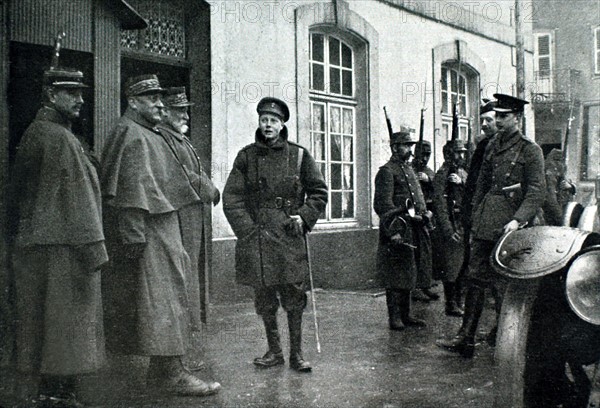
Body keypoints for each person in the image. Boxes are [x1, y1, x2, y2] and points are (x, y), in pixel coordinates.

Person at [101, 75, 220, 396]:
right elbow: (129, 194)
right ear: (132, 101)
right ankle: (170, 373)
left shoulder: (148, 133)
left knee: (169, 299)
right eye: (151, 98)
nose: (158, 104)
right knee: (162, 301)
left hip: (163, 227)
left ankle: (165, 368)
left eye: (159, 98)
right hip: (148, 233)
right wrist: (134, 238)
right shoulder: (130, 134)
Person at [9, 65, 107, 406]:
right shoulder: (59, 138)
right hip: (64, 246)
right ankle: (57, 394)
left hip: (40, 243)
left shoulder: (39, 132)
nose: (80, 99)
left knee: (45, 324)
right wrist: (95, 248)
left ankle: (50, 391)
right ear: (52, 95)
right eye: (71, 92)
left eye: (81, 92)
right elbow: (77, 198)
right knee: (64, 326)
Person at [223, 97, 327, 373]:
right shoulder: (246, 156)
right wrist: (246, 229)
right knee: (264, 297)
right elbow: (232, 197)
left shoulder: (299, 155)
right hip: (257, 238)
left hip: (289, 236)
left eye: (273, 121)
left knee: (294, 296)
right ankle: (274, 351)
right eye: (263, 120)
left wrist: (304, 217)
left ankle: (297, 354)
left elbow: (319, 192)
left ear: (282, 125)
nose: (267, 125)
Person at [438, 93, 546, 358]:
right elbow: (481, 186)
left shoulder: (530, 150)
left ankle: (508, 338)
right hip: (486, 223)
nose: (498, 120)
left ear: (517, 118)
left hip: (511, 226)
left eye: (503, 116)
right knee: (475, 278)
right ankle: (466, 337)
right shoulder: (490, 146)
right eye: (496, 115)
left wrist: (517, 220)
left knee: (504, 284)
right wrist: (475, 215)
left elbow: (536, 191)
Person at [156, 86, 221, 370]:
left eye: (186, 110)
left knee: (191, 280)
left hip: (193, 218)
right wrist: (209, 188)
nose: (185, 116)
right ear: (165, 112)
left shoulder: (180, 139)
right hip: (181, 219)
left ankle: (186, 350)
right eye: (179, 110)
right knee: (182, 282)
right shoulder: (165, 140)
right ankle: (178, 356)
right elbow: (182, 175)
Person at [374, 127, 433, 331]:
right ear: (394, 147)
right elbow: (383, 205)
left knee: (410, 270)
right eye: (406, 145)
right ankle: (395, 317)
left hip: (414, 228)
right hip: (398, 229)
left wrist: (425, 213)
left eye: (410, 145)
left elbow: (418, 198)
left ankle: (406, 314)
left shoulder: (410, 171)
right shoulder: (386, 172)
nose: (409, 149)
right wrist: (394, 231)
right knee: (395, 273)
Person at [432, 140, 468, 317]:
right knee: (451, 268)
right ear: (448, 154)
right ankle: (451, 303)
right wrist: (448, 230)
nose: (461, 156)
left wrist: (462, 183)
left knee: (461, 266)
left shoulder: (462, 173)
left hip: (462, 225)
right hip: (451, 226)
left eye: (463, 152)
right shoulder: (442, 175)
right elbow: (440, 205)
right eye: (457, 153)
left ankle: (459, 302)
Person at [411, 140, 440, 302]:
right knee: (415, 253)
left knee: (426, 253)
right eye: (423, 154)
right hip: (412, 216)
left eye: (428, 154)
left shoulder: (429, 171)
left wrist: (428, 180)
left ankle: (425, 284)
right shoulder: (410, 169)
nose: (425, 157)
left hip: (427, 216)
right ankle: (415, 287)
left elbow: (437, 189)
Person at [543, 148, 576, 226]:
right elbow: (551, 199)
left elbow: (570, 185)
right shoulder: (549, 174)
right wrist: (560, 218)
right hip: (553, 215)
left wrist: (571, 187)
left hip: (563, 210)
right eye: (557, 160)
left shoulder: (561, 173)